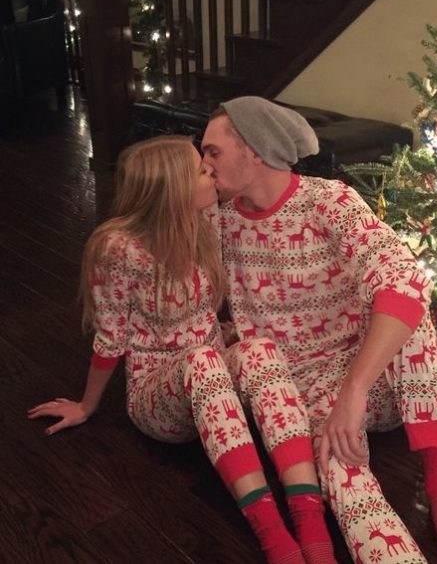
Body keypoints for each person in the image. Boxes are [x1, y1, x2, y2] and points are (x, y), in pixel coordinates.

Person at [201, 96, 437, 564]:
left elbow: (404, 275)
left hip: (372, 382)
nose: (204, 164)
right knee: (343, 470)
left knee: (407, 293)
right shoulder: (217, 220)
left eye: (213, 151)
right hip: (297, 395)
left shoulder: (329, 201)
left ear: (254, 149)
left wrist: (353, 392)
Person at [27, 135, 337, 564]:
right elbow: (111, 335)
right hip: (161, 400)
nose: (210, 170)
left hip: (218, 389)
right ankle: (275, 540)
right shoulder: (117, 248)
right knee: (203, 360)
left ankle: (310, 523)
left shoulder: (205, 218)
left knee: (259, 348)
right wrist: (86, 404)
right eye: (199, 168)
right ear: (171, 189)